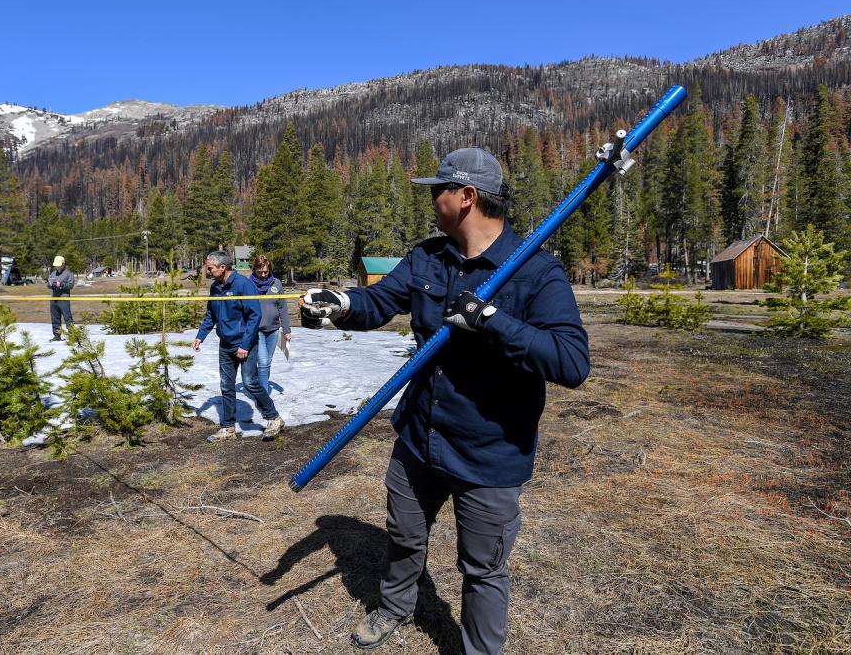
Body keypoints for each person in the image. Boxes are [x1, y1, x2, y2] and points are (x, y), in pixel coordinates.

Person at [301, 148, 590, 654]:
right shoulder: (426, 258)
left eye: (438, 190)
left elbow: (571, 362)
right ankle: (394, 606)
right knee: (404, 534)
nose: (431, 200)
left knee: (482, 568)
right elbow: (379, 301)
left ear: (466, 197)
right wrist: (341, 304)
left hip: (489, 452)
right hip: (419, 438)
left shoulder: (535, 272)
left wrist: (493, 320)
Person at [192, 251, 285, 442]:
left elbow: (254, 316)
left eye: (210, 268)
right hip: (225, 345)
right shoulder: (216, 288)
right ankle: (228, 428)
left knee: (250, 382)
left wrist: (244, 344)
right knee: (226, 386)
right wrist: (200, 336)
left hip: (245, 344)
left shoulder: (244, 285)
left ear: (222, 268)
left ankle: (274, 418)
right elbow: (211, 315)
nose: (208, 271)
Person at [249, 254, 291, 395]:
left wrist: (286, 329)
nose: (263, 274)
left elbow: (282, 307)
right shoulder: (249, 284)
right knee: (263, 362)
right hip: (256, 330)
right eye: (260, 271)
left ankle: (261, 388)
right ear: (255, 269)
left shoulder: (276, 283)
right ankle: (264, 396)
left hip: (273, 329)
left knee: (267, 362)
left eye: (265, 271)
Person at [48, 255, 74, 342]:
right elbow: (48, 284)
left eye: (58, 265)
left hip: (64, 299)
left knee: (67, 318)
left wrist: (62, 284)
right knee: (55, 318)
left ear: (63, 264)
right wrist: (51, 284)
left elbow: (71, 285)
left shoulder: (69, 273)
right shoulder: (52, 273)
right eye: (56, 265)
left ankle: (72, 335)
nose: (57, 267)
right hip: (54, 298)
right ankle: (56, 335)